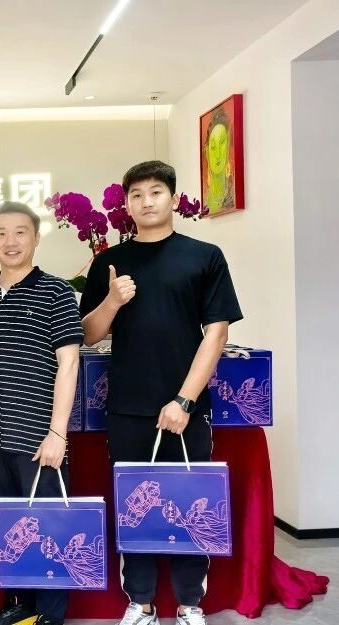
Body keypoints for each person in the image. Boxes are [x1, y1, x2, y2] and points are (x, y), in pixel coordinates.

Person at [80, 161, 242, 625]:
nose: (146, 201)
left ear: (172, 198)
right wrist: (113, 300)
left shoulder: (204, 256)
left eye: (155, 192)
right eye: (136, 195)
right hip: (127, 407)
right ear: (126, 205)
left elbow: (217, 333)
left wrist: (184, 400)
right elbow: (88, 334)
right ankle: (141, 602)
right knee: (134, 507)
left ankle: (190, 603)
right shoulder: (109, 262)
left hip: (187, 407)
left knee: (192, 503)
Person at [0, 202, 83, 625]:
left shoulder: (56, 291)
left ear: (36, 238)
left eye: (20, 232)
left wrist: (58, 434)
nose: (10, 241)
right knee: (9, 528)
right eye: (1, 233)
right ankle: (19, 606)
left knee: (47, 528)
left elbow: (69, 363)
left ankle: (49, 616)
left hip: (38, 435)